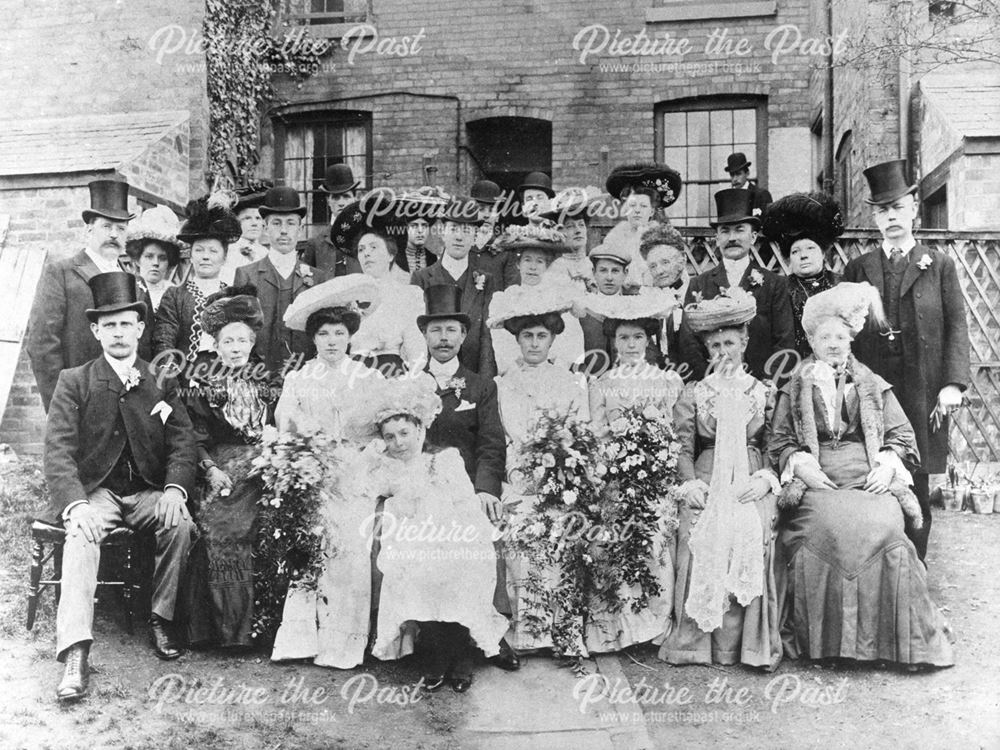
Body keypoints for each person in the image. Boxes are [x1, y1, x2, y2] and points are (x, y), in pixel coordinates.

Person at [768, 283, 954, 668]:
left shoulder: (870, 382)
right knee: (824, 527)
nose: (833, 343)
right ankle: (828, 645)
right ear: (812, 341)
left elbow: (902, 434)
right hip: (819, 479)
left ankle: (900, 646)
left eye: (840, 336)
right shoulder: (797, 382)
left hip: (866, 474)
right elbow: (780, 439)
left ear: (850, 339)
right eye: (824, 337)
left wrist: (887, 465)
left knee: (885, 524)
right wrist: (801, 464)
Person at [44, 272, 197, 701]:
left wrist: (173, 490)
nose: (118, 332)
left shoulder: (160, 379)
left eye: (125, 323)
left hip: (147, 491)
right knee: (81, 533)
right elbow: (57, 452)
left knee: (180, 524)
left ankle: (161, 618)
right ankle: (75, 650)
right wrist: (75, 505)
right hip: (98, 493)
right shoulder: (75, 380)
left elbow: (183, 442)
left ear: (140, 328)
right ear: (95, 331)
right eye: (108, 324)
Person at [843, 159, 970, 561]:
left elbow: (957, 326)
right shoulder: (859, 267)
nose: (891, 217)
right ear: (874, 218)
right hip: (874, 385)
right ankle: (876, 569)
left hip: (922, 384)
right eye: (882, 211)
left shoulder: (940, 265)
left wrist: (952, 383)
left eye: (897, 207)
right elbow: (844, 330)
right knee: (872, 472)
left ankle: (915, 571)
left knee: (915, 480)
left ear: (913, 208)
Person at [354, 376, 511, 692]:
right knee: (417, 578)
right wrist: (371, 455)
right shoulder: (388, 467)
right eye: (390, 437)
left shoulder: (444, 459)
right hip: (411, 538)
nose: (398, 443)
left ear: (420, 429)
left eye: (404, 433)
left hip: (452, 532)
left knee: (455, 575)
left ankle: (462, 658)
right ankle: (438, 657)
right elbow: (362, 484)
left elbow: (464, 502)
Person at [659, 288, 783, 670]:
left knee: (754, 527)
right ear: (707, 350)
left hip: (750, 473)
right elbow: (681, 446)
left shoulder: (764, 392)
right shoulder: (696, 393)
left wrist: (766, 479)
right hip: (707, 474)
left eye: (730, 342)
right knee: (698, 529)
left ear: (745, 342)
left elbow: (778, 445)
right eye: (715, 345)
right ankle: (695, 645)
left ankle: (746, 646)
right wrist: (690, 483)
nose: (724, 352)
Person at [269, 276, 385, 668]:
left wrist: (358, 463)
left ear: (350, 336)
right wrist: (313, 462)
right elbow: (288, 428)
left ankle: (344, 642)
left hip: (357, 474)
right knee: (311, 540)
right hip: (313, 474)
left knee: (351, 545)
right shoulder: (299, 379)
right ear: (313, 339)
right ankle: (302, 638)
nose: (332, 341)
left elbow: (382, 433)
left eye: (339, 332)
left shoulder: (370, 378)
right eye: (323, 333)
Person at [417, 284, 515, 669]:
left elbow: (492, 445)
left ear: (463, 336)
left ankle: (475, 640)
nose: (443, 339)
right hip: (422, 489)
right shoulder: (411, 384)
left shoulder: (480, 385)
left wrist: (486, 489)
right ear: (425, 336)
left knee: (472, 550)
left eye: (451, 331)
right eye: (436, 330)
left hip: (467, 489)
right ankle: (436, 646)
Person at [489, 290, 589, 653]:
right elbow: (495, 438)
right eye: (527, 336)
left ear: (552, 339)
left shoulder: (569, 382)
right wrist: (516, 473)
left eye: (541, 336)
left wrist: (559, 469)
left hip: (558, 478)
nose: (534, 343)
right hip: (514, 475)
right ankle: (525, 632)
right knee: (518, 524)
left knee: (562, 525)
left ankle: (560, 632)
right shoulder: (501, 385)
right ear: (516, 340)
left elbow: (579, 434)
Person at [583, 291, 682, 652]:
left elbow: (673, 431)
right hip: (614, 473)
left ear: (649, 340)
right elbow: (595, 431)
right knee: (613, 534)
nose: (630, 344)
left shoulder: (666, 381)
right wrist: (612, 458)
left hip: (655, 475)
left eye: (638, 337)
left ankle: (654, 623)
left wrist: (655, 459)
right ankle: (618, 627)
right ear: (613, 341)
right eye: (623, 337)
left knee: (654, 535)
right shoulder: (603, 383)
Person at [182, 286, 277, 648]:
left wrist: (275, 460)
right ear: (216, 346)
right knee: (223, 529)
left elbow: (280, 427)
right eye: (228, 341)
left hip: (264, 466)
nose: (236, 348)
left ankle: (258, 628)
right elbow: (195, 437)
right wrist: (209, 468)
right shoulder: (204, 385)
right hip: (220, 468)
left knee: (264, 527)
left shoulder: (268, 383)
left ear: (252, 343)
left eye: (242, 340)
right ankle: (222, 630)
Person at [28, 179, 146, 410]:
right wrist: (61, 406)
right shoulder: (62, 273)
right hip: (81, 403)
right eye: (106, 227)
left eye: (120, 228)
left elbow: (146, 342)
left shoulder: (136, 281)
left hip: (131, 406)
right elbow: (42, 345)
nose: (114, 234)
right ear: (89, 229)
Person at [681, 188, 795, 382]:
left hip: (762, 387)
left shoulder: (775, 284)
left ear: (753, 237)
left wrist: (767, 385)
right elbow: (688, 341)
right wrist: (711, 382)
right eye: (725, 231)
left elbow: (785, 340)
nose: (732, 238)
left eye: (739, 230)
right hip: (712, 388)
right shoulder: (699, 284)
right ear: (716, 238)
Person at [234, 187, 332, 375]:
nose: (284, 231)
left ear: (300, 228)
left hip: (308, 377)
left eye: (291, 223)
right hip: (259, 376)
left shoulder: (318, 278)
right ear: (265, 227)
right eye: (277, 223)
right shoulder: (246, 275)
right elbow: (239, 332)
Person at [330, 190, 426, 375]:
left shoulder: (408, 295)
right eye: (361, 249)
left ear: (391, 254)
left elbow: (417, 353)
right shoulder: (348, 297)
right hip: (354, 377)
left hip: (393, 376)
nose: (366, 253)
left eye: (374, 247)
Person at [411, 197, 503, 377]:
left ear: (475, 236)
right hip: (432, 378)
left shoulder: (486, 281)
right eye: (453, 229)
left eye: (467, 230)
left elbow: (487, 336)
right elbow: (416, 336)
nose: (459, 237)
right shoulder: (421, 278)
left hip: (473, 375)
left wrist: (484, 384)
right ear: (442, 232)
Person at [154, 194, 241, 370]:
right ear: (191, 255)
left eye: (213, 251)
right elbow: (164, 341)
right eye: (199, 250)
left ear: (224, 258)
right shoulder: (175, 296)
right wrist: (171, 381)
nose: (206, 257)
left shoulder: (234, 297)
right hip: (185, 379)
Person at [488, 227, 585, 374]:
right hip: (515, 374)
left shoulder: (560, 298)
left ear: (546, 266)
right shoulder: (505, 299)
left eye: (539, 261)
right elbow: (501, 344)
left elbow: (571, 342)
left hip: (553, 374)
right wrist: (517, 370)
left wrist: (554, 370)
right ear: (518, 264)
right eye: (527, 260)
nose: (532, 267)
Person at [761, 192, 844, 359]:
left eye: (810, 248)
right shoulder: (781, 289)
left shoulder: (840, 284)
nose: (803, 255)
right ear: (789, 259)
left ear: (822, 253)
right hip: (794, 364)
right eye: (795, 251)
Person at [604, 162, 683, 288]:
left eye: (643, 206)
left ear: (651, 211)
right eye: (632, 205)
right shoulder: (614, 238)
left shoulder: (662, 237)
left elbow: (674, 274)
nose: (637, 210)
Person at [638, 223, 692, 373]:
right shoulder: (646, 300)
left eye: (665, 262)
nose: (659, 271)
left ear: (683, 259)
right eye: (653, 266)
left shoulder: (698, 292)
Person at [298, 163, 364, 277]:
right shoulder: (316, 243)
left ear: (355, 199)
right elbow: (307, 284)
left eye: (346, 196)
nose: (341, 203)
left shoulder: (368, 237)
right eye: (336, 197)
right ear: (328, 201)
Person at [578, 239, 632, 376]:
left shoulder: (633, 309)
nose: (609, 277)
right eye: (603, 270)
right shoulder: (583, 310)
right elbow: (574, 357)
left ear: (625, 273)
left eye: (615, 271)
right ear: (594, 272)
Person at [125, 205, 181, 313]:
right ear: (137, 259)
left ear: (170, 261)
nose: (155, 263)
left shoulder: (176, 295)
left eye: (162, 258)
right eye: (149, 256)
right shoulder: (128, 290)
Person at [543, 187, 598, 292]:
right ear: (560, 232)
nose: (578, 231)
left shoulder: (595, 265)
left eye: (581, 225)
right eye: (570, 226)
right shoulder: (556, 269)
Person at [222, 183, 271, 284]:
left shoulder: (265, 252)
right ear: (237, 222)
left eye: (258, 218)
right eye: (247, 218)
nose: (254, 223)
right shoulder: (229, 250)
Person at [394, 187, 447, 275]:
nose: (420, 231)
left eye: (424, 226)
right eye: (414, 226)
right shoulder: (394, 258)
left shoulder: (434, 260)